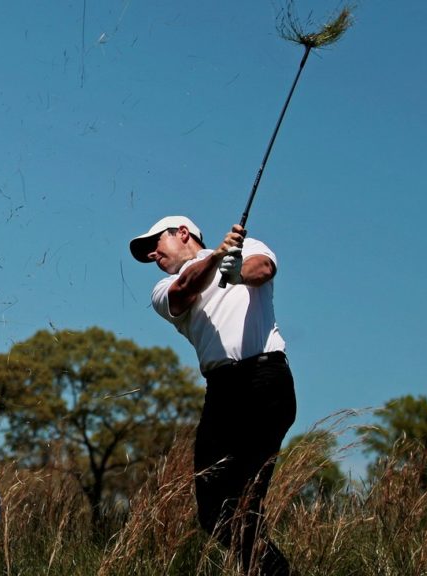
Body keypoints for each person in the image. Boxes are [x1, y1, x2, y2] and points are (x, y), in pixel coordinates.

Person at [129, 216, 295, 576]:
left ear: (183, 233)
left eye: (155, 243)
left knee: (246, 498)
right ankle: (274, 570)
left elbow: (263, 269)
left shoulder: (248, 249)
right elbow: (186, 289)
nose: (152, 254)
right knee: (211, 509)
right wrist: (219, 258)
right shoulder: (164, 287)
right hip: (221, 392)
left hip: (266, 380)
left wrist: (234, 272)